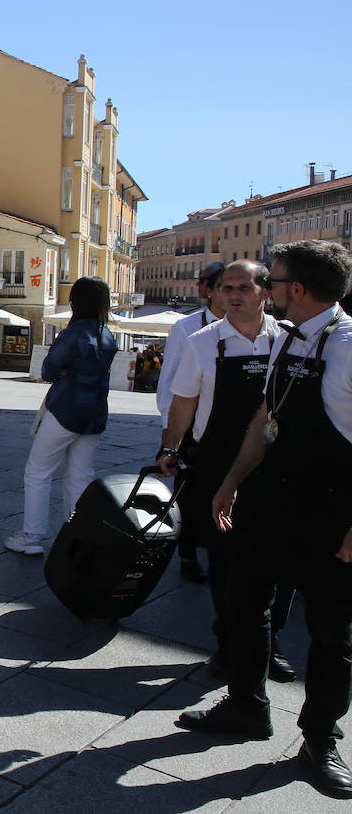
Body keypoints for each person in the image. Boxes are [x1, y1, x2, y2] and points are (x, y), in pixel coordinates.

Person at [178, 241, 352, 800]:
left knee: (331, 634)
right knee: (244, 604)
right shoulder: (288, 338)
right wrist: (231, 482)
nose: (267, 290)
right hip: (270, 499)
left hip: (332, 510)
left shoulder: (348, 347)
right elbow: (265, 418)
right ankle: (247, 705)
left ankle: (320, 739)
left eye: (271, 282)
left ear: (295, 290)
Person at [156, 261, 296, 684]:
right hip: (216, 462)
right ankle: (230, 640)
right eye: (226, 287)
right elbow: (183, 403)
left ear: (265, 292)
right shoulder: (202, 343)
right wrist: (170, 447)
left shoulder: (288, 340)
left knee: (280, 560)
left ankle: (270, 642)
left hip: (275, 465)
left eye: (243, 287)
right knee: (224, 559)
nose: (233, 294)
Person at [5, 276, 117, 556]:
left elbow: (48, 370)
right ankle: (78, 535)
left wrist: (65, 371)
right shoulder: (107, 334)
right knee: (81, 475)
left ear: (75, 302)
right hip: (95, 413)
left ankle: (31, 535)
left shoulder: (74, 332)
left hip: (66, 409)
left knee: (38, 471)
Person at [156, 259, 229, 583]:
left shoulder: (259, 329)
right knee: (187, 496)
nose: (199, 286)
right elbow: (169, 383)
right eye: (225, 288)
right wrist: (169, 437)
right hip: (191, 430)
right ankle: (187, 555)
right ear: (212, 292)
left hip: (233, 430)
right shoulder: (187, 328)